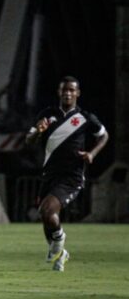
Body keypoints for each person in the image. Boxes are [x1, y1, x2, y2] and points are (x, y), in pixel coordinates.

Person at [25, 76, 108, 271]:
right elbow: (29, 140)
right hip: (49, 174)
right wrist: (38, 131)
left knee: (48, 211)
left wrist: (92, 153)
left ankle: (60, 239)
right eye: (64, 90)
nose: (68, 93)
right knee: (45, 216)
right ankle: (61, 253)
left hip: (71, 176)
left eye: (72, 90)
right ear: (59, 92)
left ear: (78, 93)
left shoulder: (85, 118)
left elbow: (104, 135)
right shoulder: (47, 114)